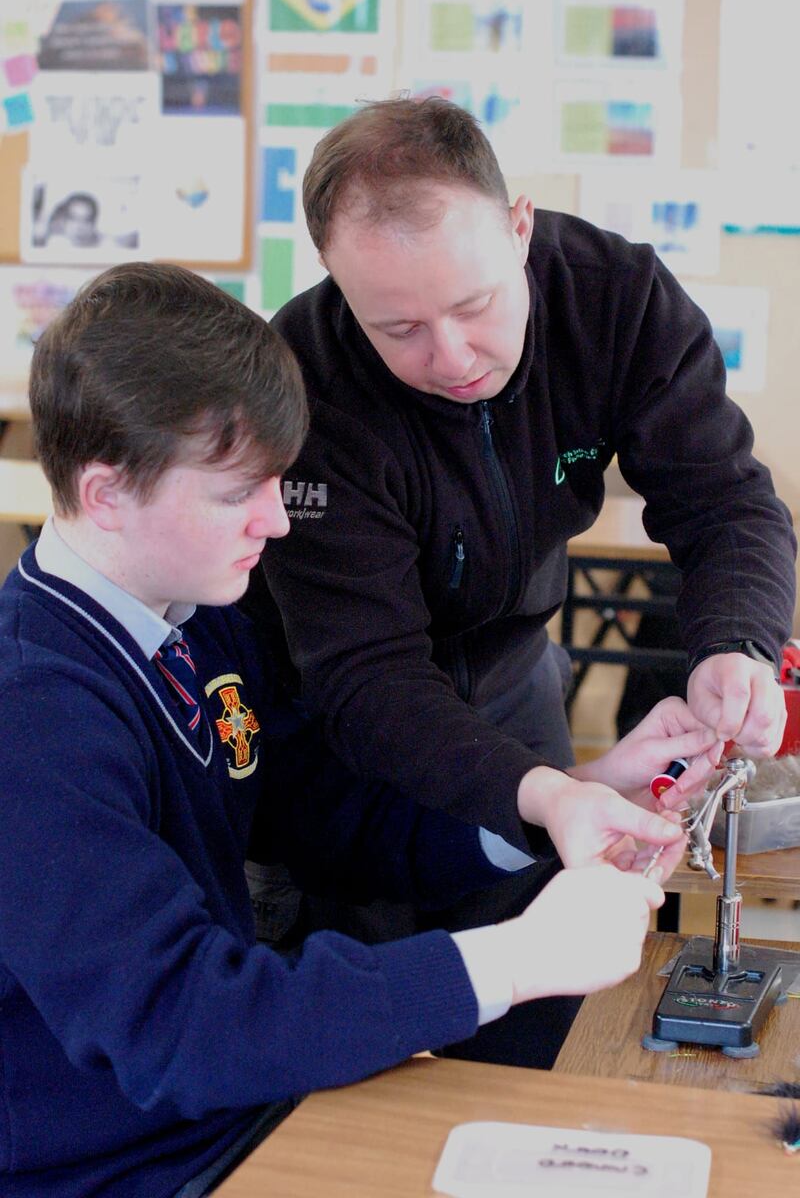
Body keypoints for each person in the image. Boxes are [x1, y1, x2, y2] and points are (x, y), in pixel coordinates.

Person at [0, 261, 715, 1197]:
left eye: (277, 483)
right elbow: (184, 1023)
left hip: (238, 1105)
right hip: (133, 1163)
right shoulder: (33, 716)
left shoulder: (196, 616)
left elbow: (325, 808)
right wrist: (518, 958)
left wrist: (564, 798)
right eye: (234, 492)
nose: (276, 522)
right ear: (104, 493)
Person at [248, 94, 795, 1022]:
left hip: (511, 678)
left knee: (549, 985)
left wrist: (735, 647)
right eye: (399, 328)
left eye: (476, 305)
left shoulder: (616, 300)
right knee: (372, 1020)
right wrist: (547, 790)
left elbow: (725, 502)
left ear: (519, 224)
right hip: (337, 729)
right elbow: (366, 675)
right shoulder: (306, 383)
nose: (452, 356)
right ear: (340, 285)